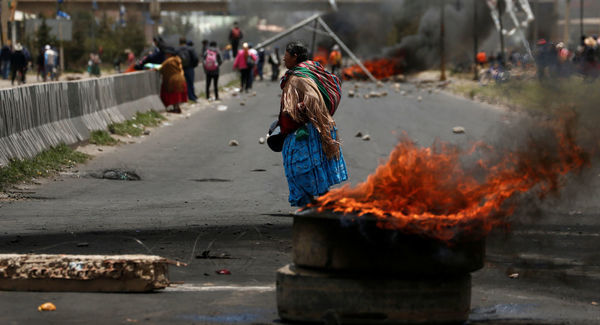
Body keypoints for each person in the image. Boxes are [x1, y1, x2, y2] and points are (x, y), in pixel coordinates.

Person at [275, 41, 348, 207]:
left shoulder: (299, 77)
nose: (283, 59)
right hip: (313, 127)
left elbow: (313, 99)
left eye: (286, 55)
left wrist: (298, 109)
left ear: (295, 56)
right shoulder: (311, 69)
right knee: (314, 166)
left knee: (300, 168)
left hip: (307, 129)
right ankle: (320, 201)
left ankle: (313, 203)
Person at [158, 46, 187, 114]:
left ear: (169, 54)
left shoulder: (168, 61)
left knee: (174, 95)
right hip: (181, 78)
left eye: (166, 54)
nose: (165, 55)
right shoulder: (178, 59)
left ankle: (176, 108)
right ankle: (177, 108)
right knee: (177, 94)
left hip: (173, 80)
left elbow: (161, 69)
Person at [177, 37, 199, 102]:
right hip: (189, 68)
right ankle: (192, 96)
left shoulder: (177, 50)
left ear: (179, 42)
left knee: (182, 83)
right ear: (185, 42)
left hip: (180, 69)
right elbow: (196, 58)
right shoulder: (190, 49)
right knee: (190, 82)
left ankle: (184, 98)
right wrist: (193, 65)